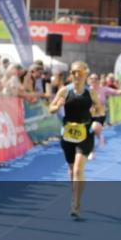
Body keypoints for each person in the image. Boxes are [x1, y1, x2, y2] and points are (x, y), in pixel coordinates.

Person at [48, 61, 100, 218]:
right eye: (73, 72)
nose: (76, 75)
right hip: (68, 134)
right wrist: (57, 106)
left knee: (78, 169)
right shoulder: (64, 91)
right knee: (71, 170)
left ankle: (76, 204)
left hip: (85, 134)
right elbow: (50, 108)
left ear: (85, 74)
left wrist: (97, 117)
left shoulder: (90, 93)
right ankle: (74, 195)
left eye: (80, 72)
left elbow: (100, 109)